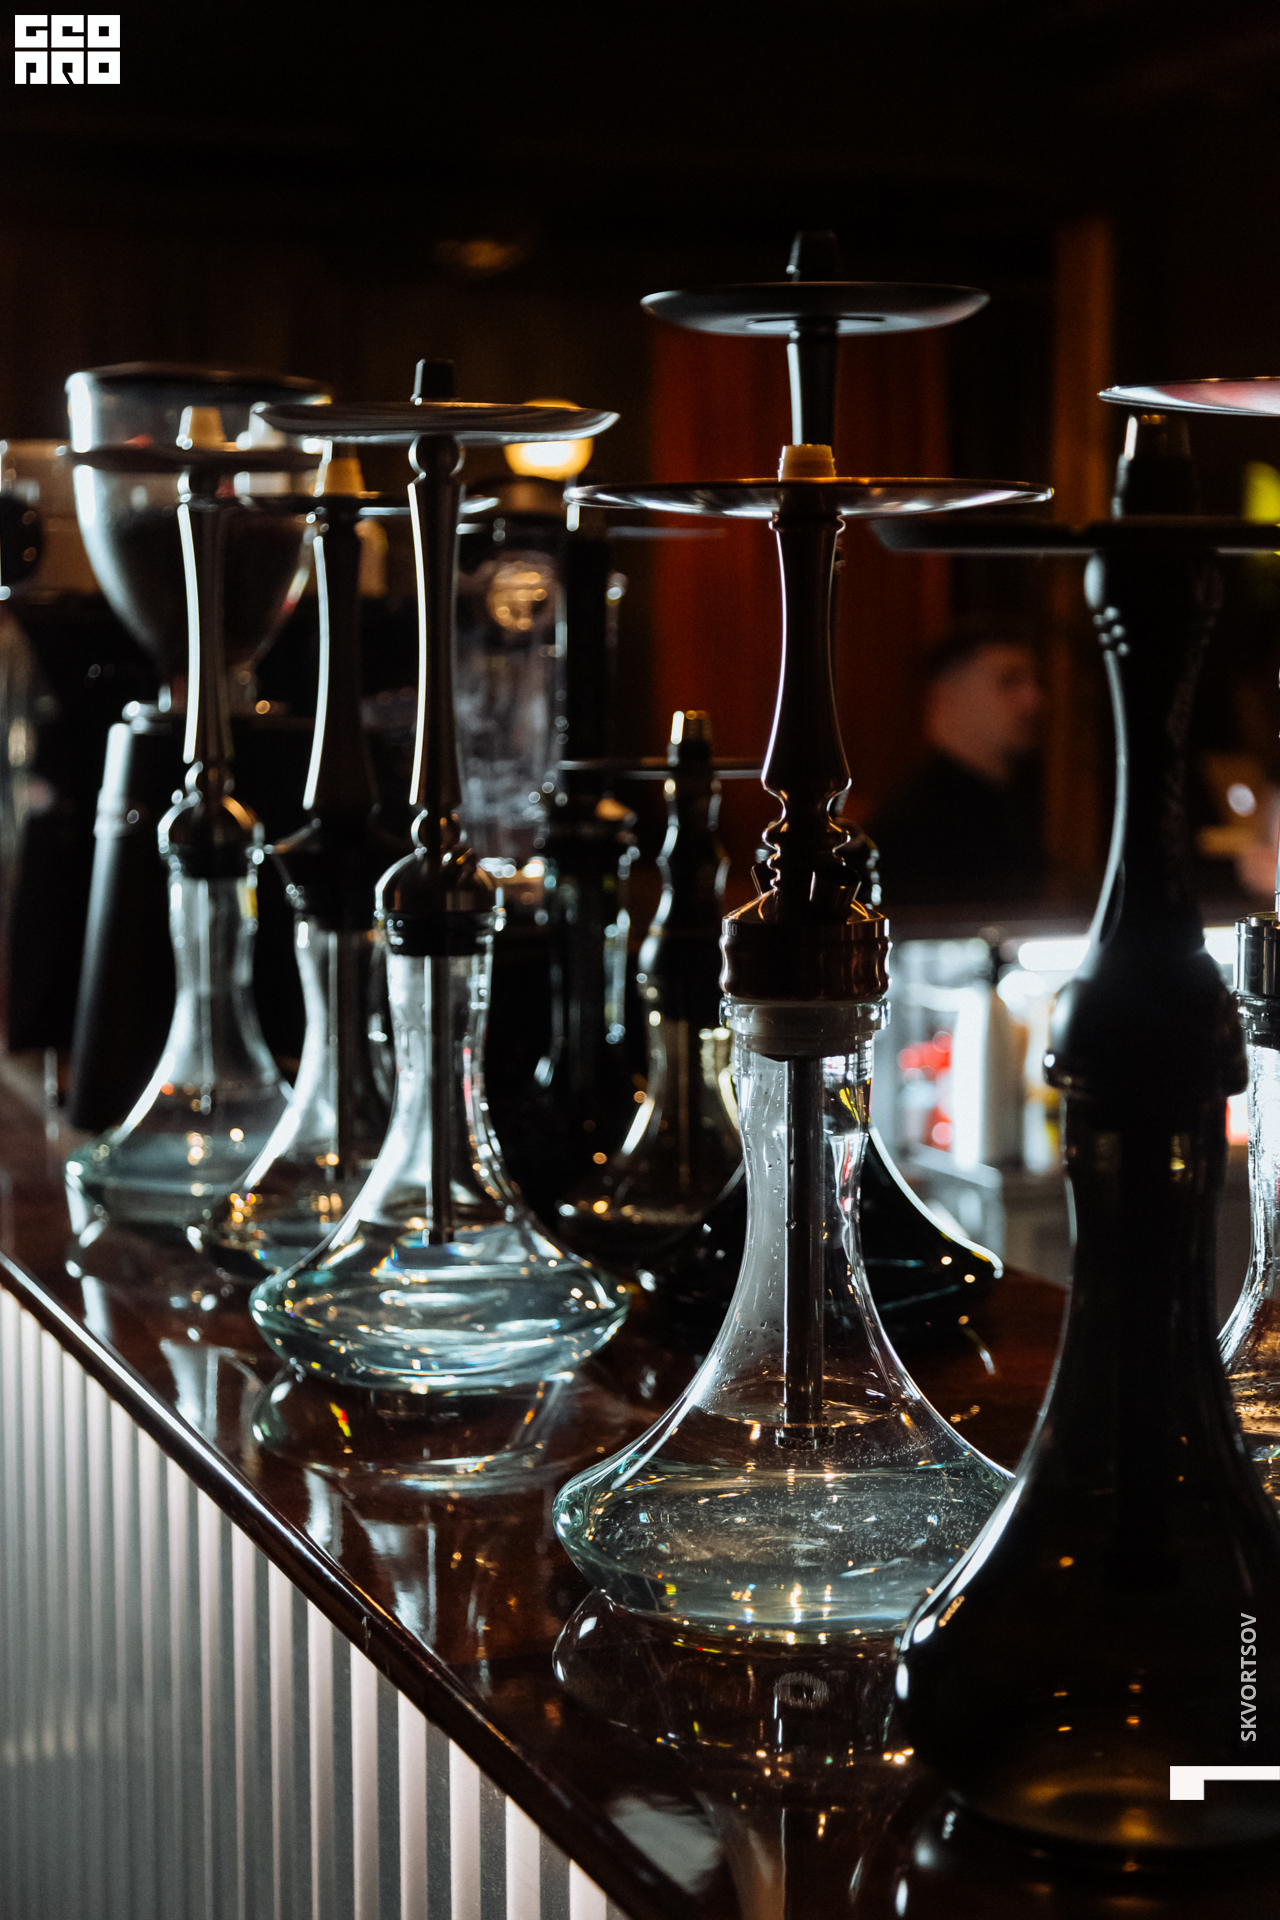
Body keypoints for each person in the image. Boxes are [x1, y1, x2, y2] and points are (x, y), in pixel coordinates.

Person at [868, 627, 1047, 904]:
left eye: (1034, 682)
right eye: (1009, 681)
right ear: (945, 698)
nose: (1034, 700)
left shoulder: (1009, 809)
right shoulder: (916, 829)